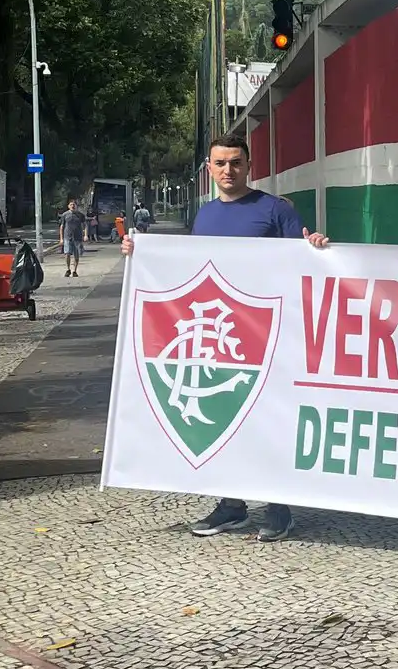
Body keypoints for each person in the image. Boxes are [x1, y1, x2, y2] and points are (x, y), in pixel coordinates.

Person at [124, 135, 330, 543]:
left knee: (268, 420)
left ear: (249, 165)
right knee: (226, 418)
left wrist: (318, 248)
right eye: (220, 163)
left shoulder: (275, 210)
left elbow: (305, 266)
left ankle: (279, 508)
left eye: (236, 162)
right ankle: (232, 505)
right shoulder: (205, 217)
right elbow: (192, 273)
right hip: (223, 337)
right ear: (209, 168)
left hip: (269, 334)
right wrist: (139, 252)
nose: (228, 170)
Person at [59, 197, 87, 278]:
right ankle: (68, 269)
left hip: (78, 237)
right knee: (67, 253)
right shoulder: (65, 215)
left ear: (76, 206)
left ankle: (74, 270)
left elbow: (85, 225)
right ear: (68, 206)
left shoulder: (80, 215)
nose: (72, 206)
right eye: (71, 205)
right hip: (67, 237)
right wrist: (61, 238)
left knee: (76, 255)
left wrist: (85, 235)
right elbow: (62, 226)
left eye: (74, 205)